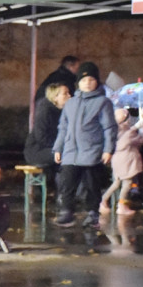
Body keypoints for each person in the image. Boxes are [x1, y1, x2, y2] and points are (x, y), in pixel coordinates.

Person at [52, 61, 117, 229]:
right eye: (83, 80)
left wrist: (108, 149)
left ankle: (92, 213)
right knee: (67, 183)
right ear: (78, 83)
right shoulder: (71, 103)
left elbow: (109, 127)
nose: (87, 83)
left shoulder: (103, 102)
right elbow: (63, 127)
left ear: (97, 82)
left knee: (91, 184)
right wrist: (58, 147)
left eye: (91, 79)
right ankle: (67, 211)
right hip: (71, 151)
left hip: (92, 150)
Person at [99, 108, 143, 216]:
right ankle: (121, 204)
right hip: (126, 160)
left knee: (116, 182)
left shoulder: (114, 130)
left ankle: (103, 200)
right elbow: (138, 141)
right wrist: (141, 130)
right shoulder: (127, 132)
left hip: (117, 159)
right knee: (127, 183)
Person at [24, 82, 71, 167]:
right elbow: (41, 136)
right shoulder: (45, 111)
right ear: (55, 97)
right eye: (65, 94)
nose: (69, 96)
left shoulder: (64, 111)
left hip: (52, 147)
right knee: (68, 154)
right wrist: (58, 146)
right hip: (38, 150)